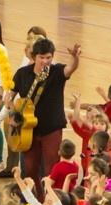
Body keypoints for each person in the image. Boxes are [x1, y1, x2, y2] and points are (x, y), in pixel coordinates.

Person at [8, 37, 82, 184]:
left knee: (51, 168)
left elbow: (71, 68)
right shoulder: (22, 74)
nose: (45, 61)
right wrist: (12, 115)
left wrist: (75, 58)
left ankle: (50, 196)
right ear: (34, 57)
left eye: (48, 57)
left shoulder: (56, 72)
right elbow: (9, 98)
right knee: (30, 168)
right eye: (41, 57)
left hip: (51, 129)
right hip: (28, 130)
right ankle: (35, 196)